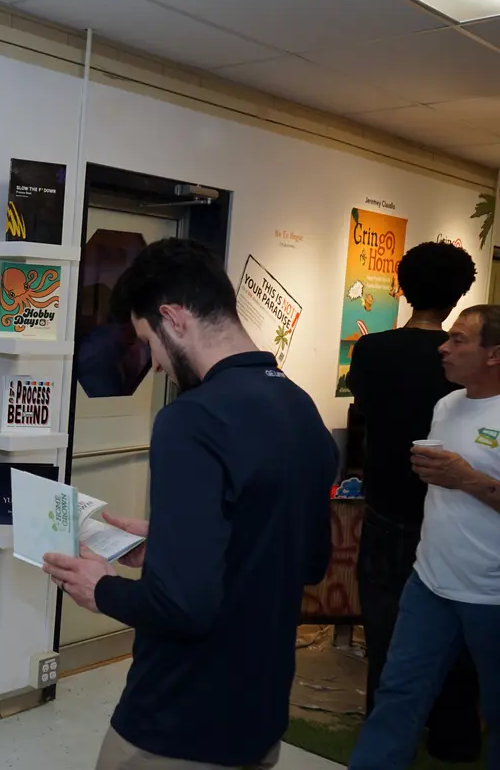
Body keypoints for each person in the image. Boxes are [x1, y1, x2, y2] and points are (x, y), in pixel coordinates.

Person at [43, 239, 338, 769]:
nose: (155, 365)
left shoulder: (191, 419)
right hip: (260, 712)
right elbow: (304, 558)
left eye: (148, 343)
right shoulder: (300, 406)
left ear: (174, 318)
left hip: (179, 722)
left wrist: (100, 589)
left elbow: (182, 606)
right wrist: (172, 542)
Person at [345, 241, 481, 762]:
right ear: (459, 296)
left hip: (386, 508)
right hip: (452, 514)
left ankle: (384, 735)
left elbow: (363, 411)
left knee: (386, 633)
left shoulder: (371, 351)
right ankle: (453, 738)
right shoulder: (461, 359)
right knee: (457, 633)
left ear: (402, 287)